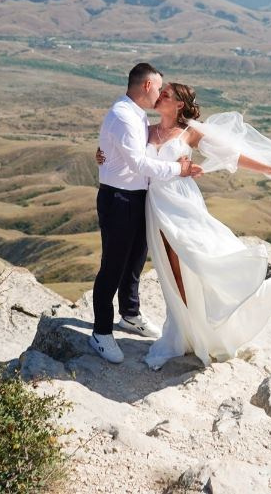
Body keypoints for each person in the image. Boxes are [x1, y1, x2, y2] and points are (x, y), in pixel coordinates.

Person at [99, 82, 271, 370]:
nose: (159, 96)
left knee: (196, 257)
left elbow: (230, 154)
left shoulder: (189, 132)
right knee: (171, 270)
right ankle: (184, 332)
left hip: (181, 203)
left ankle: (217, 317)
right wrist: (102, 156)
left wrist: (266, 168)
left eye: (165, 94)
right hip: (155, 205)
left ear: (179, 104)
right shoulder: (147, 129)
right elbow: (125, 151)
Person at [90, 63, 202, 364]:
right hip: (119, 199)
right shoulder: (124, 116)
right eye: (160, 88)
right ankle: (101, 333)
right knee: (112, 266)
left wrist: (103, 155)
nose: (161, 94)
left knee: (135, 261)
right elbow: (139, 164)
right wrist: (178, 169)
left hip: (138, 197)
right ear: (148, 86)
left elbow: (117, 151)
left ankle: (130, 313)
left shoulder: (137, 115)